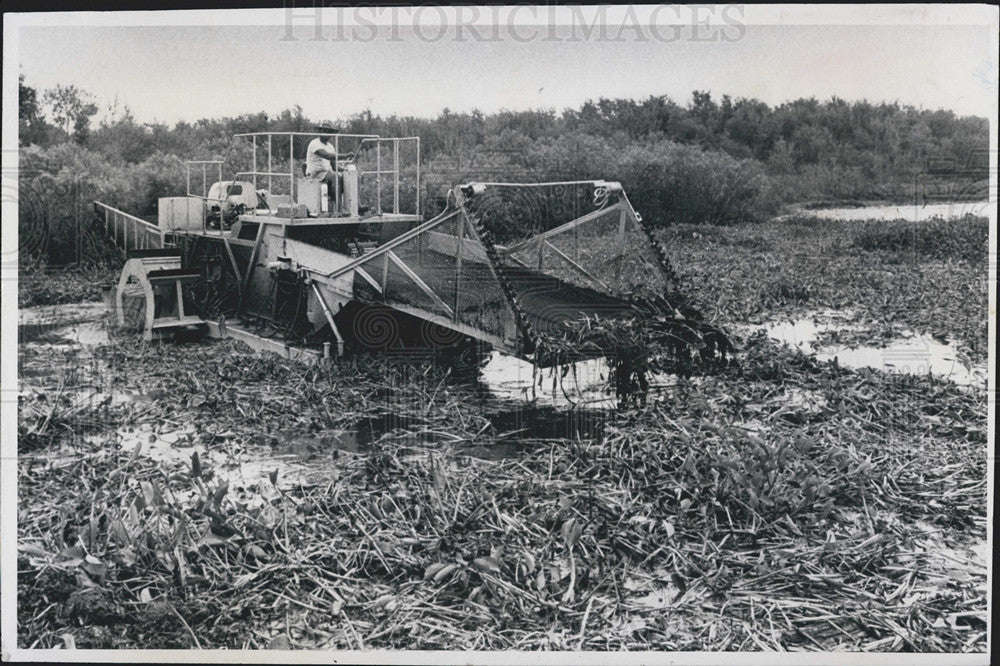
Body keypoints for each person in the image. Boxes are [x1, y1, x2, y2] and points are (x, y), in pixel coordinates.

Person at [305, 124, 353, 213]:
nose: (327, 133)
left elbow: (334, 166)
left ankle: (355, 206)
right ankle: (339, 209)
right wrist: (345, 156)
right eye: (325, 131)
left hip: (327, 173)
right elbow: (327, 155)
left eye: (329, 132)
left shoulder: (330, 146)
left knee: (350, 177)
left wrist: (345, 170)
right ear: (320, 132)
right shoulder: (314, 143)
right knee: (335, 177)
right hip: (315, 173)